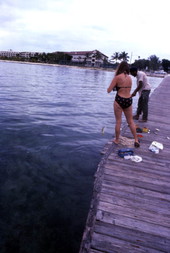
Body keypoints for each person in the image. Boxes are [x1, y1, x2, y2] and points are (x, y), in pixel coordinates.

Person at [107, 61, 140, 147]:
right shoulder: (130, 78)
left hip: (119, 100)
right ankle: (136, 140)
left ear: (120, 68)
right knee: (131, 122)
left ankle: (117, 140)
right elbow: (127, 89)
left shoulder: (117, 77)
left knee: (118, 121)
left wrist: (115, 86)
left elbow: (109, 90)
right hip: (128, 100)